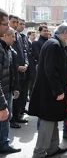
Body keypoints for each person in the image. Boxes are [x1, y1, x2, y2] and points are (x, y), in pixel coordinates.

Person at [28, 23, 67, 158]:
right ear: (65, 33)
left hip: (49, 91)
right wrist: (58, 90)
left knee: (53, 120)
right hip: (50, 92)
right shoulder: (54, 45)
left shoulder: (52, 43)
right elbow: (51, 70)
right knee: (47, 123)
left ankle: (53, 148)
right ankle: (39, 152)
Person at [0, 13, 21, 153]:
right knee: (4, 119)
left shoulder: (5, 47)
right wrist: (2, 105)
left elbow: (10, 71)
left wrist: (14, 88)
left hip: (6, 89)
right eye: (6, 24)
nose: (8, 27)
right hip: (2, 92)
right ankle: (3, 144)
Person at [10, 16, 29, 128]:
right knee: (14, 97)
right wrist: (16, 67)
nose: (16, 24)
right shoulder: (7, 35)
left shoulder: (19, 36)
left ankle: (17, 116)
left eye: (18, 22)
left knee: (20, 96)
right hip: (14, 71)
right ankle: (12, 119)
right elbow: (9, 55)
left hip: (22, 71)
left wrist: (26, 63)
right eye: (14, 22)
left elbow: (24, 51)